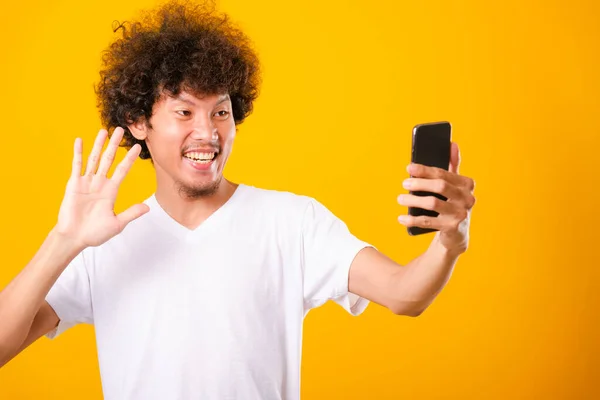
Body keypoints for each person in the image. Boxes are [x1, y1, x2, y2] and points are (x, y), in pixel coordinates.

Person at [0, 1, 476, 399]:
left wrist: (449, 241)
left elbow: (404, 294)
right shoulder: (101, 244)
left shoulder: (293, 222)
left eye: (221, 112)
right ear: (139, 122)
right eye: (184, 111)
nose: (208, 133)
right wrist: (63, 241)